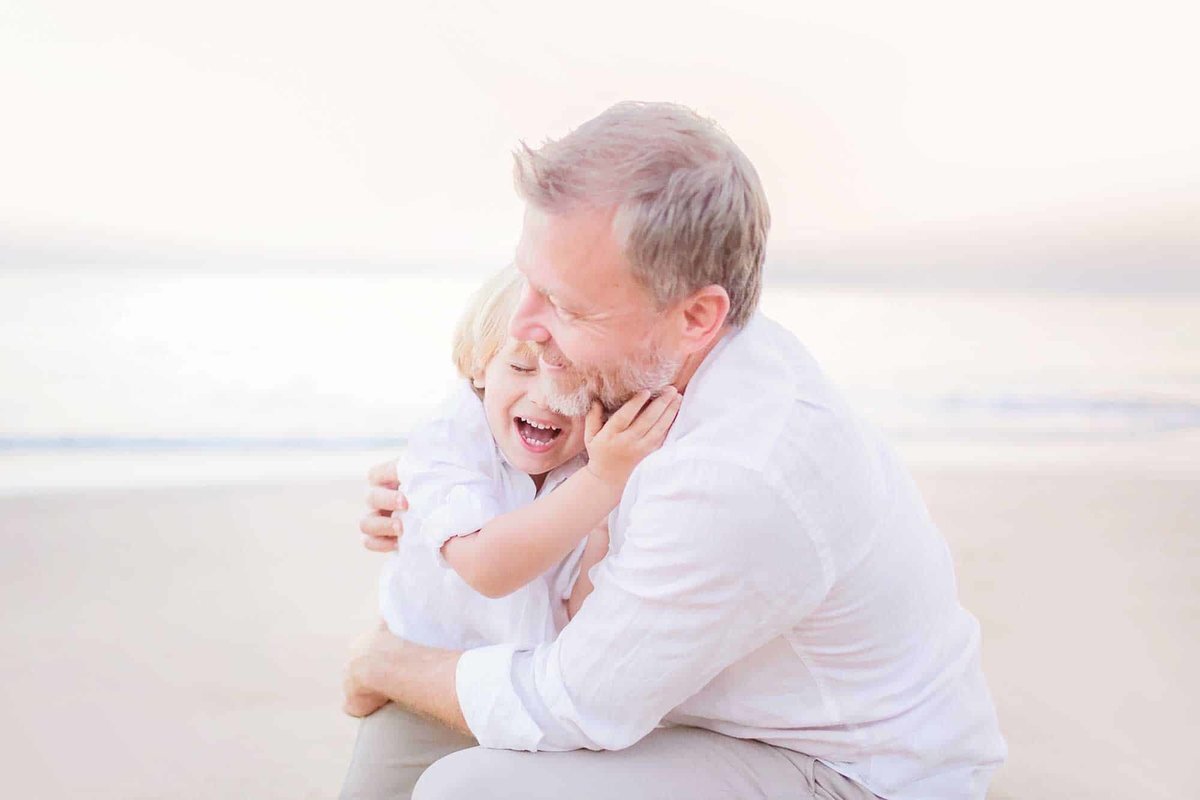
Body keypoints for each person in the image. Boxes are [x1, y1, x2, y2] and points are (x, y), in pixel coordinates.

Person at [345, 101, 1006, 800]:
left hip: (846, 772)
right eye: (527, 281)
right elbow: (498, 470)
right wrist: (440, 504)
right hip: (685, 708)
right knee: (408, 735)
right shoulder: (637, 361)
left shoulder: (744, 471)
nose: (524, 324)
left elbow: (575, 702)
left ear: (696, 317)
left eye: (566, 306)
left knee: (473, 789)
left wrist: (383, 662)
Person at [343, 266, 681, 798]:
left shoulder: (603, 459)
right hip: (421, 683)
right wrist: (601, 482)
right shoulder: (454, 436)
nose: (546, 396)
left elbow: (581, 619)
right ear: (480, 367)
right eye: (521, 366)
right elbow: (488, 568)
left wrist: (603, 514)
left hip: (529, 704)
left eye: (573, 376)